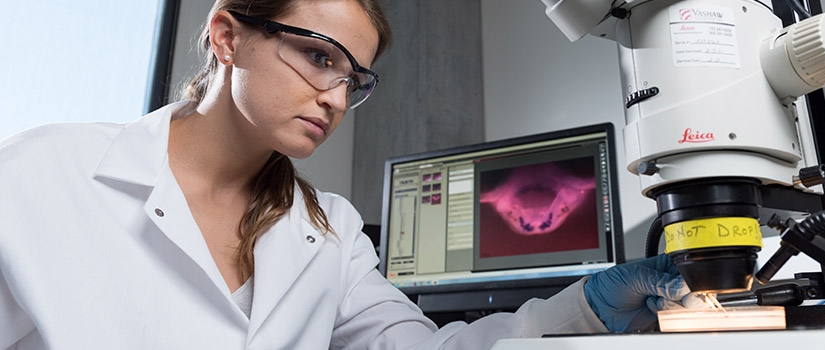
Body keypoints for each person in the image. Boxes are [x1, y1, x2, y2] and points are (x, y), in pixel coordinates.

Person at [0, 0, 690, 348]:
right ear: (226, 35)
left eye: (354, 77)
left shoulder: (328, 233)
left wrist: (584, 309)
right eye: (318, 56)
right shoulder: (42, 174)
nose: (336, 97)